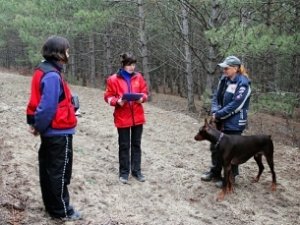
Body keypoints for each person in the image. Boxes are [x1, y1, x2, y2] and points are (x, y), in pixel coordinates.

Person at [26, 35, 81, 220]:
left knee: (49, 171)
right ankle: (62, 212)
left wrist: (71, 109)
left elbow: (49, 103)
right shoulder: (51, 75)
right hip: (59, 133)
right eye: (67, 50)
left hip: (53, 131)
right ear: (59, 53)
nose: (69, 53)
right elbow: (47, 107)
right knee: (59, 173)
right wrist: (38, 126)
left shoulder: (44, 70)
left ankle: (52, 208)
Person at [201, 55, 251, 188]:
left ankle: (230, 177)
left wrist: (219, 114)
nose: (224, 70)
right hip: (220, 120)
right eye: (223, 68)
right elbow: (216, 97)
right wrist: (215, 111)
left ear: (235, 68)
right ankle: (215, 172)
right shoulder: (224, 79)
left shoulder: (243, 83)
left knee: (230, 151)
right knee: (215, 147)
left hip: (234, 123)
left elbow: (236, 104)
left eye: (226, 68)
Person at [104, 53, 148, 184]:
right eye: (129, 64)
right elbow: (107, 97)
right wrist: (117, 101)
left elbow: (145, 93)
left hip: (138, 117)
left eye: (133, 64)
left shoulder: (139, 77)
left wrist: (142, 98)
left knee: (136, 145)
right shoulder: (113, 79)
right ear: (123, 65)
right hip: (122, 117)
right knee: (124, 146)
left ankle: (137, 171)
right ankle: (124, 173)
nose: (132, 67)